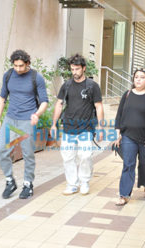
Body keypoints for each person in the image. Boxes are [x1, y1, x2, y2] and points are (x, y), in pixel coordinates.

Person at [0, 50, 48, 199]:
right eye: (16, 66)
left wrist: (37, 114)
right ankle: (10, 181)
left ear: (27, 64)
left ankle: (27, 184)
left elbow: (44, 101)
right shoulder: (9, 75)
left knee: (27, 154)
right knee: (2, 150)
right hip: (10, 119)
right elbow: (2, 98)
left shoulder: (36, 77)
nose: (18, 69)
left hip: (27, 120)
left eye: (21, 66)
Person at [50, 54, 104, 195]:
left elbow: (98, 106)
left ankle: (84, 181)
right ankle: (72, 184)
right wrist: (54, 124)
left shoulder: (92, 86)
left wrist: (100, 127)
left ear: (84, 68)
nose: (74, 72)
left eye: (77, 69)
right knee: (68, 157)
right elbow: (59, 104)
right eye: (72, 69)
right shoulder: (66, 85)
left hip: (86, 128)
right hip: (68, 127)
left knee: (85, 156)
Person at [113, 69, 145, 206]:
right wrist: (118, 134)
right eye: (136, 77)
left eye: (142, 77)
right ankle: (124, 194)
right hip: (128, 136)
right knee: (128, 164)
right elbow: (119, 115)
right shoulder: (127, 95)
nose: (138, 79)